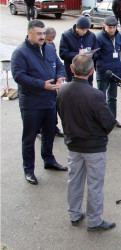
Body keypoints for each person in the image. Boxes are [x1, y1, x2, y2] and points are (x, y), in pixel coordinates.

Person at [57, 54, 117, 232]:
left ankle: (74, 214)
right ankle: (94, 220)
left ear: (71, 69)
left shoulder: (63, 90)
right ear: (92, 71)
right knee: (95, 184)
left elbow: (61, 113)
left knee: (74, 180)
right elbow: (108, 122)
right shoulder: (95, 94)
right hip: (93, 147)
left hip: (73, 144)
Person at [11, 20, 67, 185]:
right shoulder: (20, 53)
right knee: (29, 138)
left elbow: (59, 65)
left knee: (49, 132)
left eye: (44, 33)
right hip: (31, 103)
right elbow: (19, 77)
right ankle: (29, 170)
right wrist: (42, 84)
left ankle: (49, 160)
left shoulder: (49, 48)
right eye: (39, 34)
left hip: (50, 100)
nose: (43, 37)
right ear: (29, 34)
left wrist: (61, 77)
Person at [95, 16, 121, 128]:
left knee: (113, 98)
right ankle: (101, 121)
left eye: (114, 27)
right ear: (104, 27)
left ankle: (112, 119)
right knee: (101, 99)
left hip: (115, 72)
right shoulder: (99, 38)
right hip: (103, 73)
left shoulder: (118, 36)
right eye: (109, 27)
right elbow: (95, 55)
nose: (112, 30)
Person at [59, 16, 97, 86]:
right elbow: (63, 54)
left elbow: (96, 53)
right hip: (73, 73)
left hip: (87, 72)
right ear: (77, 27)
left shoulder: (91, 36)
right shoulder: (66, 36)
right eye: (82, 30)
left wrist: (92, 54)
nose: (85, 32)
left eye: (86, 30)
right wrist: (77, 54)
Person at [44, 27, 64, 138]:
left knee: (54, 106)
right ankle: (41, 130)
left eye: (52, 41)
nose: (50, 43)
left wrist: (60, 77)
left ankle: (54, 126)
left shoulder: (51, 47)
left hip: (52, 86)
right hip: (42, 87)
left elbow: (58, 65)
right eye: (48, 40)